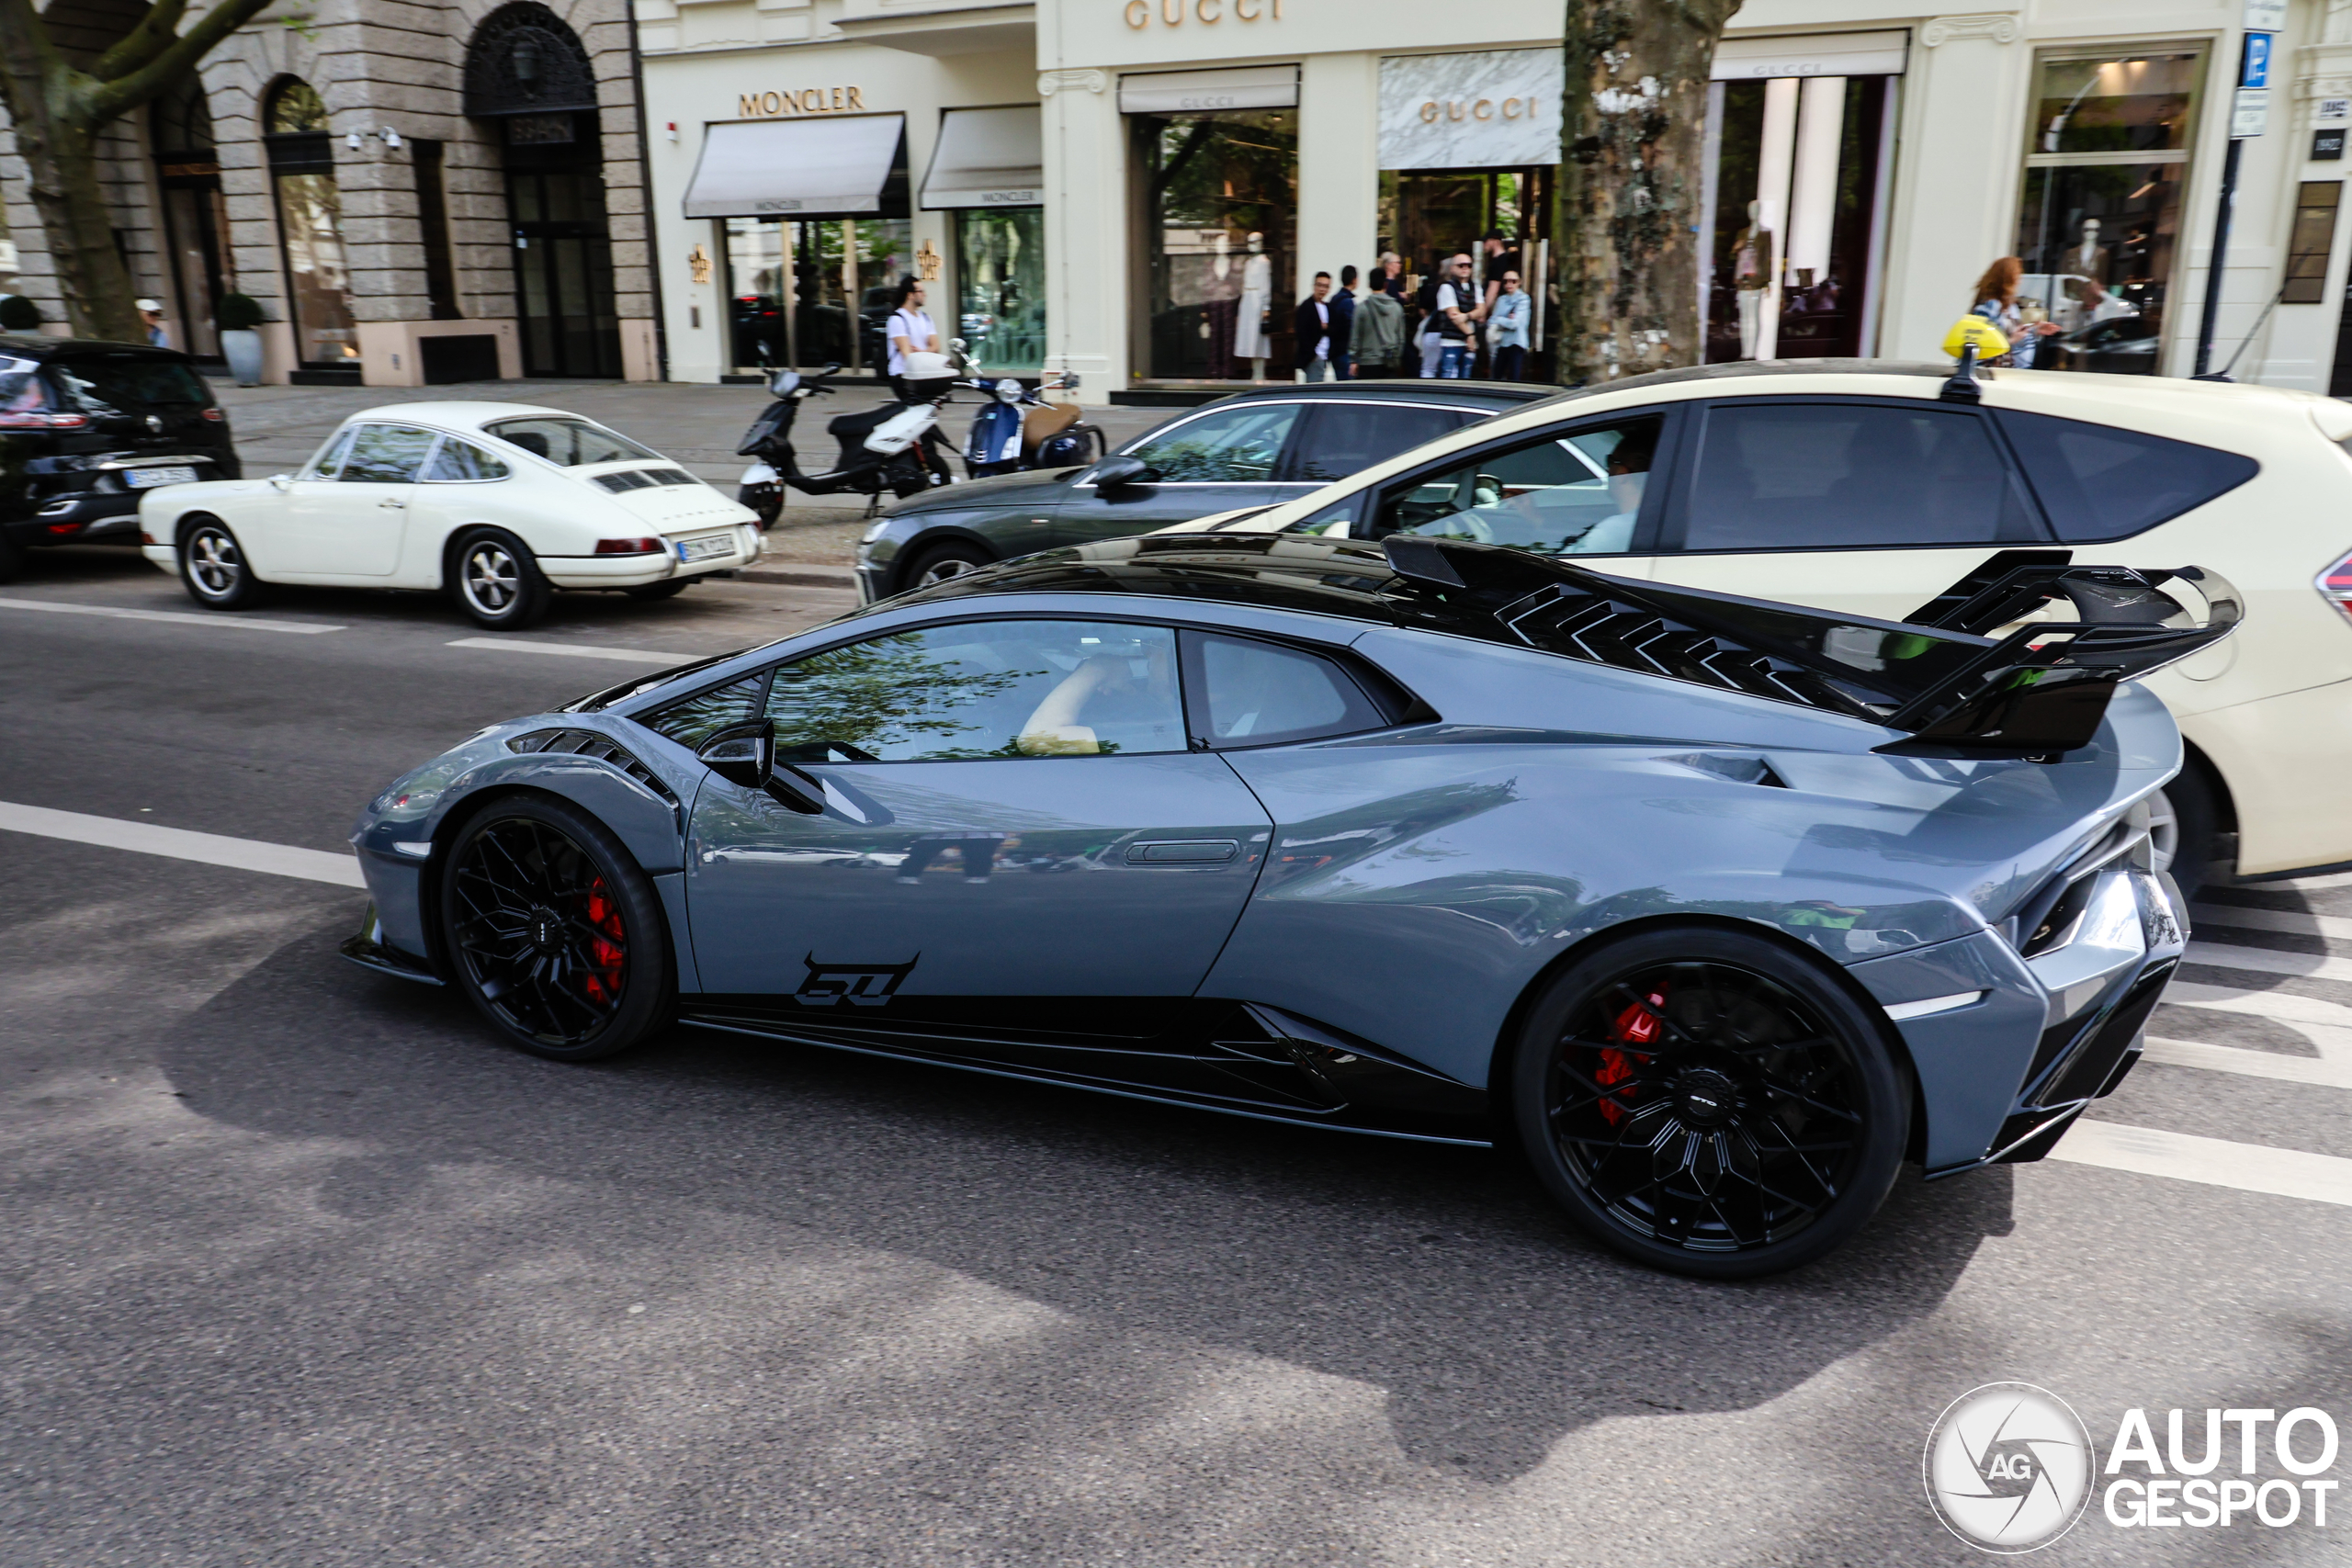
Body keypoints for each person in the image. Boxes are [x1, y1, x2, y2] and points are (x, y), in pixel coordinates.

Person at [1969, 256, 2058, 368]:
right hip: (1991, 371)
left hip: (2011, 371)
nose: (2020, 280)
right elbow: (1979, 340)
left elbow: (2014, 332)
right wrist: (2011, 340)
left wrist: (2034, 330)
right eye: (2017, 275)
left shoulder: (2010, 306)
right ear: (2008, 278)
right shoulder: (1990, 305)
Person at [886, 276, 937, 399]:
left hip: (923, 374)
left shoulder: (925, 318)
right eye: (921, 291)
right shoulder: (897, 319)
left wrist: (922, 352)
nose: (925, 295)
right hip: (903, 375)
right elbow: (907, 354)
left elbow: (936, 346)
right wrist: (926, 353)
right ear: (910, 295)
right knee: (912, 411)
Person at [1432, 253, 1481, 378]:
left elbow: (1482, 310)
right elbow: (1453, 315)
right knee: (1447, 380)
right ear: (1452, 268)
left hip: (1469, 342)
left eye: (1468, 265)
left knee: (1466, 380)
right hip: (1451, 342)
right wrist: (1470, 334)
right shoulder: (1446, 288)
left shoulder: (1475, 287)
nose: (1465, 268)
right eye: (1461, 265)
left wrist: (1466, 316)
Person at [1351, 273, 1405, 378]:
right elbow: (1401, 338)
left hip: (1367, 362)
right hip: (1389, 362)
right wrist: (1396, 356)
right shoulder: (1397, 308)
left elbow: (1355, 336)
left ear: (1369, 284)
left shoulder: (1361, 308)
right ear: (1386, 285)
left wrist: (1353, 359)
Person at [1487, 270, 1531, 380]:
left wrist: (1500, 319)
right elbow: (1491, 321)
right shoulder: (1501, 299)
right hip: (1501, 342)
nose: (1509, 284)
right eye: (1506, 281)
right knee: (1496, 376)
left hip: (1517, 342)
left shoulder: (1523, 299)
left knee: (1514, 378)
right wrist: (1505, 319)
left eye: (1513, 281)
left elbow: (1514, 324)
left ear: (1519, 282)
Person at [1293, 272, 1336, 382]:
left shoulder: (1328, 307)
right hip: (1315, 357)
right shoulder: (1306, 306)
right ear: (1314, 286)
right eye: (1319, 285)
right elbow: (1301, 332)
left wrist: (1326, 328)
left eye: (1326, 286)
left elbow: (1334, 329)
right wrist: (1312, 355)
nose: (1322, 289)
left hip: (1325, 355)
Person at [1329, 265, 1359, 380]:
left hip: (1335, 351)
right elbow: (1351, 329)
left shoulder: (1334, 299)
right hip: (1344, 352)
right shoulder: (1348, 302)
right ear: (1354, 280)